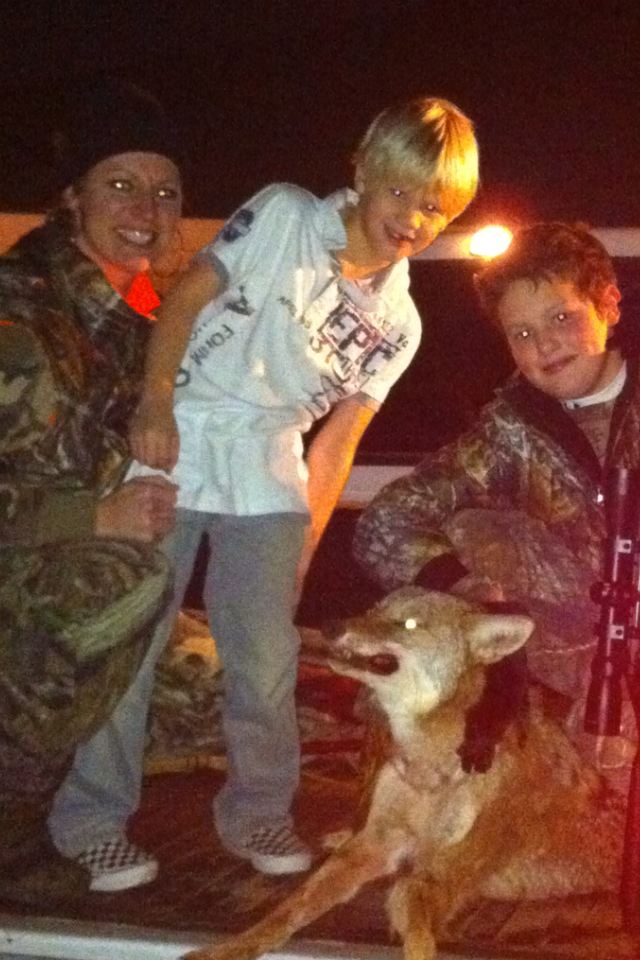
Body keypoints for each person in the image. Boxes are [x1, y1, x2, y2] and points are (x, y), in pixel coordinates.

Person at [118, 96, 480, 875]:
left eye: (434, 207)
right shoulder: (283, 213)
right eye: (399, 191)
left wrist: (309, 539)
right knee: (130, 640)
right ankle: (92, 820)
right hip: (184, 431)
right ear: (363, 171)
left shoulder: (401, 324)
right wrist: (154, 402)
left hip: (270, 463)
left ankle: (258, 815)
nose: (412, 218)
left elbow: (339, 438)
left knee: (267, 656)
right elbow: (186, 296)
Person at [353, 221, 637, 795]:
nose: (544, 344)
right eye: (522, 333)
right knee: (475, 526)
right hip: (578, 652)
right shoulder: (510, 431)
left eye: (561, 318)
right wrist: (472, 593)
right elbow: (385, 521)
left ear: (609, 304)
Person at [0, 78, 183, 902]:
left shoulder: (130, 308)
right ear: (71, 197)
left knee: (204, 672)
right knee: (126, 582)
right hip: (22, 555)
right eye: (121, 184)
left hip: (38, 558)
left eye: (166, 191)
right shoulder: (19, 315)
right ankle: (10, 831)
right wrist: (94, 513)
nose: (148, 208)